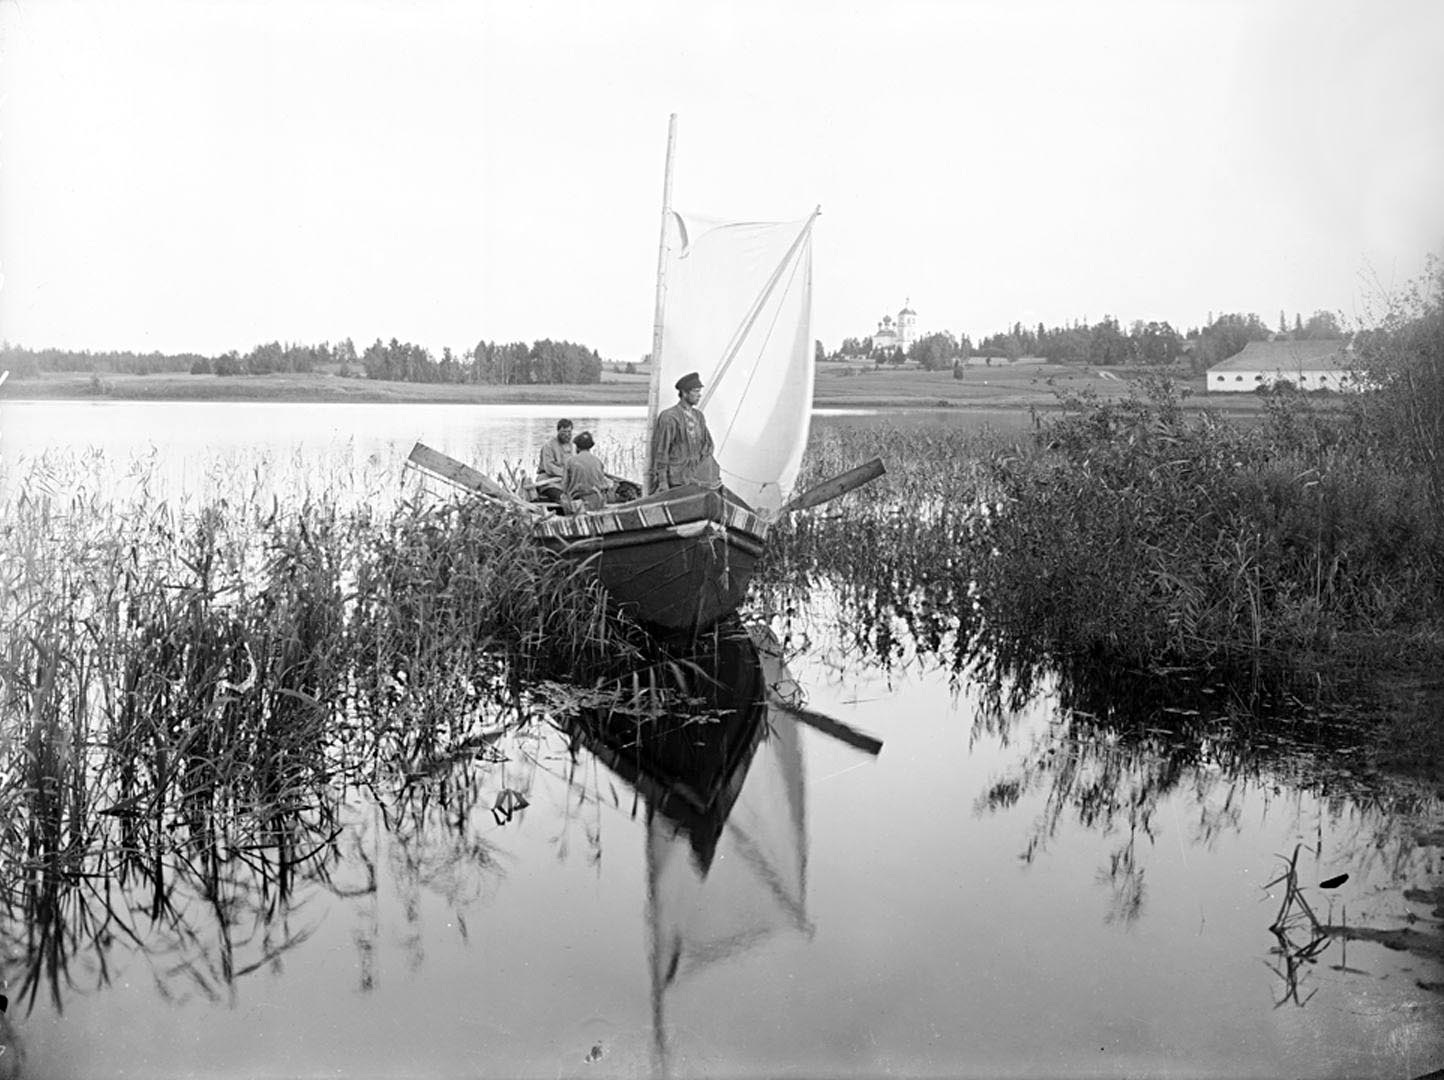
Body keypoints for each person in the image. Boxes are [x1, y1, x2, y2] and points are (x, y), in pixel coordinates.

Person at [649, 371, 719, 492]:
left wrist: (707, 472)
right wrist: (662, 481)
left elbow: (708, 445)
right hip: (676, 480)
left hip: (696, 479)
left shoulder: (699, 416)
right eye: (696, 391)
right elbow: (661, 450)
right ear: (684, 393)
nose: (699, 395)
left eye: (699, 391)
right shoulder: (669, 417)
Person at [561, 431, 613, 512]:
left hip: (578, 500)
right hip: (597, 500)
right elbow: (602, 482)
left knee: (563, 497)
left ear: (577, 447)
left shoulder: (570, 461)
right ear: (590, 447)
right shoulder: (598, 461)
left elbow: (564, 486)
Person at [535, 419, 574, 503]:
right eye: (564, 432)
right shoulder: (549, 446)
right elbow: (549, 468)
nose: (567, 435)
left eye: (569, 432)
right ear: (558, 431)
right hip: (548, 480)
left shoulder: (572, 446)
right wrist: (565, 474)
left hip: (565, 481)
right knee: (560, 495)